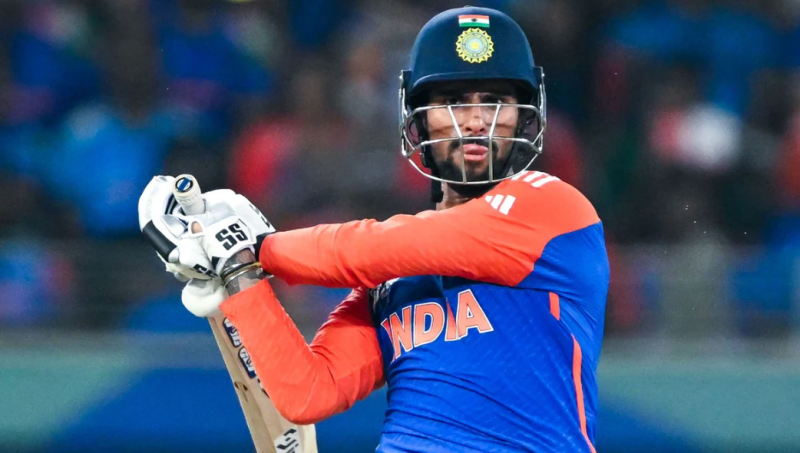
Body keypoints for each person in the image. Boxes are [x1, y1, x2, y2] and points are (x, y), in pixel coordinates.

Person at [139, 7, 609, 453]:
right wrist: (238, 273)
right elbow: (309, 393)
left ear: (526, 115)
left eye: (494, 102)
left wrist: (257, 246)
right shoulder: (394, 277)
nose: (475, 121)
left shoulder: (553, 208)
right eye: (452, 101)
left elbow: (378, 247)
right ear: (417, 118)